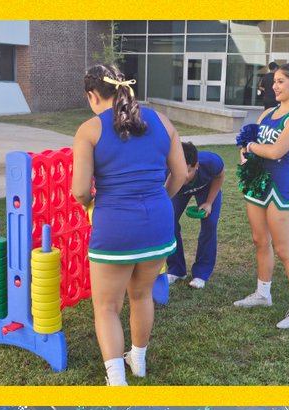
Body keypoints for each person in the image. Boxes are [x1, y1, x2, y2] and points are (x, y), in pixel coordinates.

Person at [71, 63, 187, 385]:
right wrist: (158, 198)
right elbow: (179, 175)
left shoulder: (89, 130)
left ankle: (117, 379)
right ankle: (138, 360)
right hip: (158, 223)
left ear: (93, 95)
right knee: (142, 295)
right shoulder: (162, 121)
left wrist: (90, 204)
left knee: (107, 307)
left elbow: (80, 190)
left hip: (115, 226)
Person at [234, 63, 289, 329]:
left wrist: (251, 146)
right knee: (259, 240)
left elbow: (276, 151)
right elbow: (249, 140)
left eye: (281, 82)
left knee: (284, 249)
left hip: (279, 185)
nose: (275, 86)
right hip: (257, 182)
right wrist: (244, 153)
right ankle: (262, 293)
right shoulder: (267, 112)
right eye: (274, 81)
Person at [166, 143, 225, 289]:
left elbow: (220, 175)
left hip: (206, 187)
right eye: (178, 171)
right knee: (168, 222)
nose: (182, 176)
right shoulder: (166, 168)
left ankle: (201, 273)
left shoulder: (211, 162)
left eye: (187, 171)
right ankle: (176, 270)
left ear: (196, 166)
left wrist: (209, 202)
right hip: (178, 191)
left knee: (209, 223)